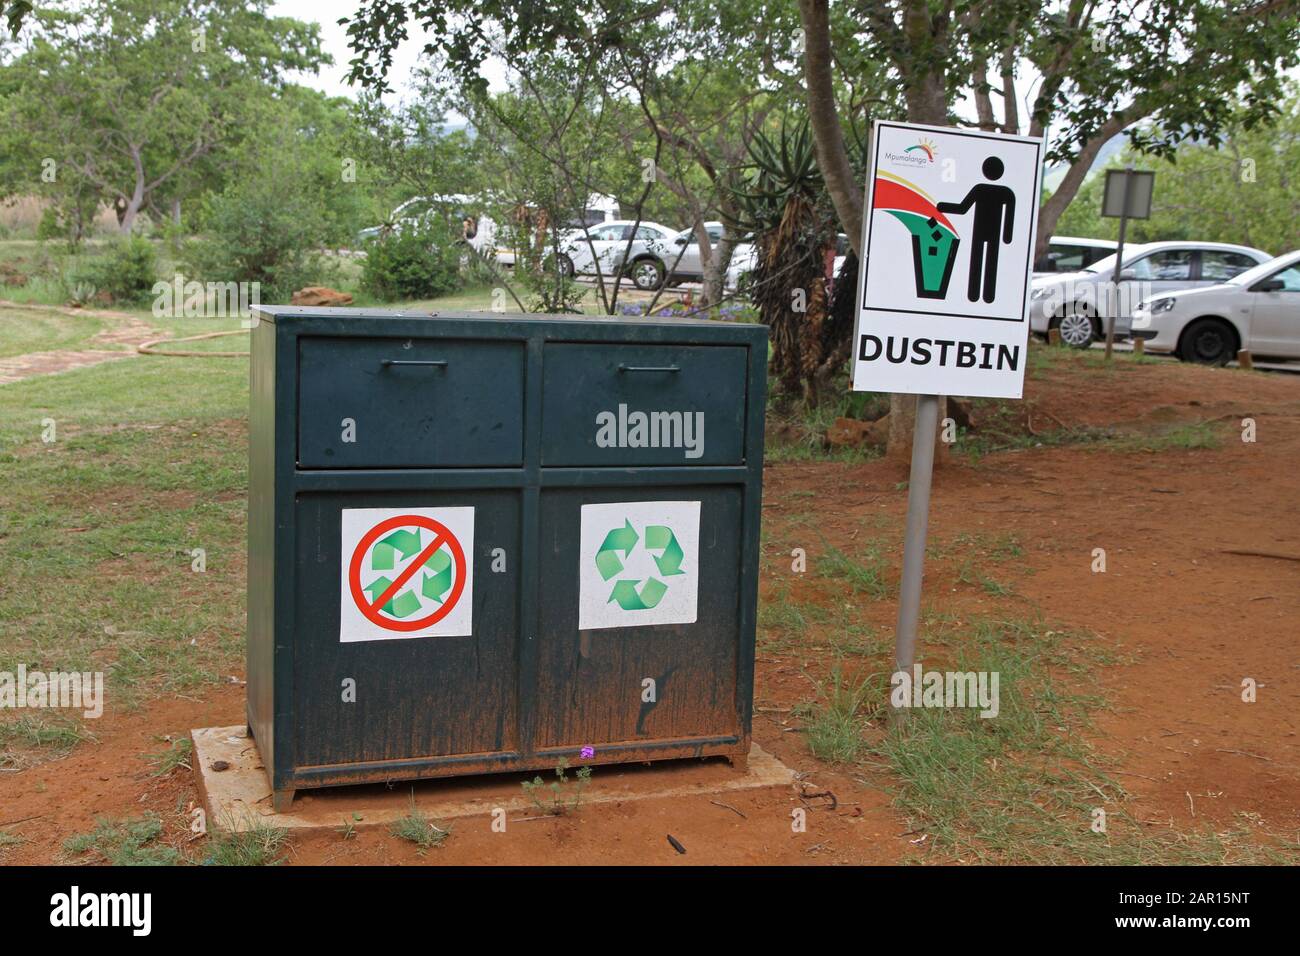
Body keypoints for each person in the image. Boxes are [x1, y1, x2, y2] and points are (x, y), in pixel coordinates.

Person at [937, 156, 1016, 303]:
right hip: (991, 234)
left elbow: (962, 208)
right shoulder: (1005, 192)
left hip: (981, 232)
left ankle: (977, 295)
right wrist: (1007, 236)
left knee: (979, 261)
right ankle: (985, 296)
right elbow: (1009, 216)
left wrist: (941, 206)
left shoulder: (982, 189)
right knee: (987, 261)